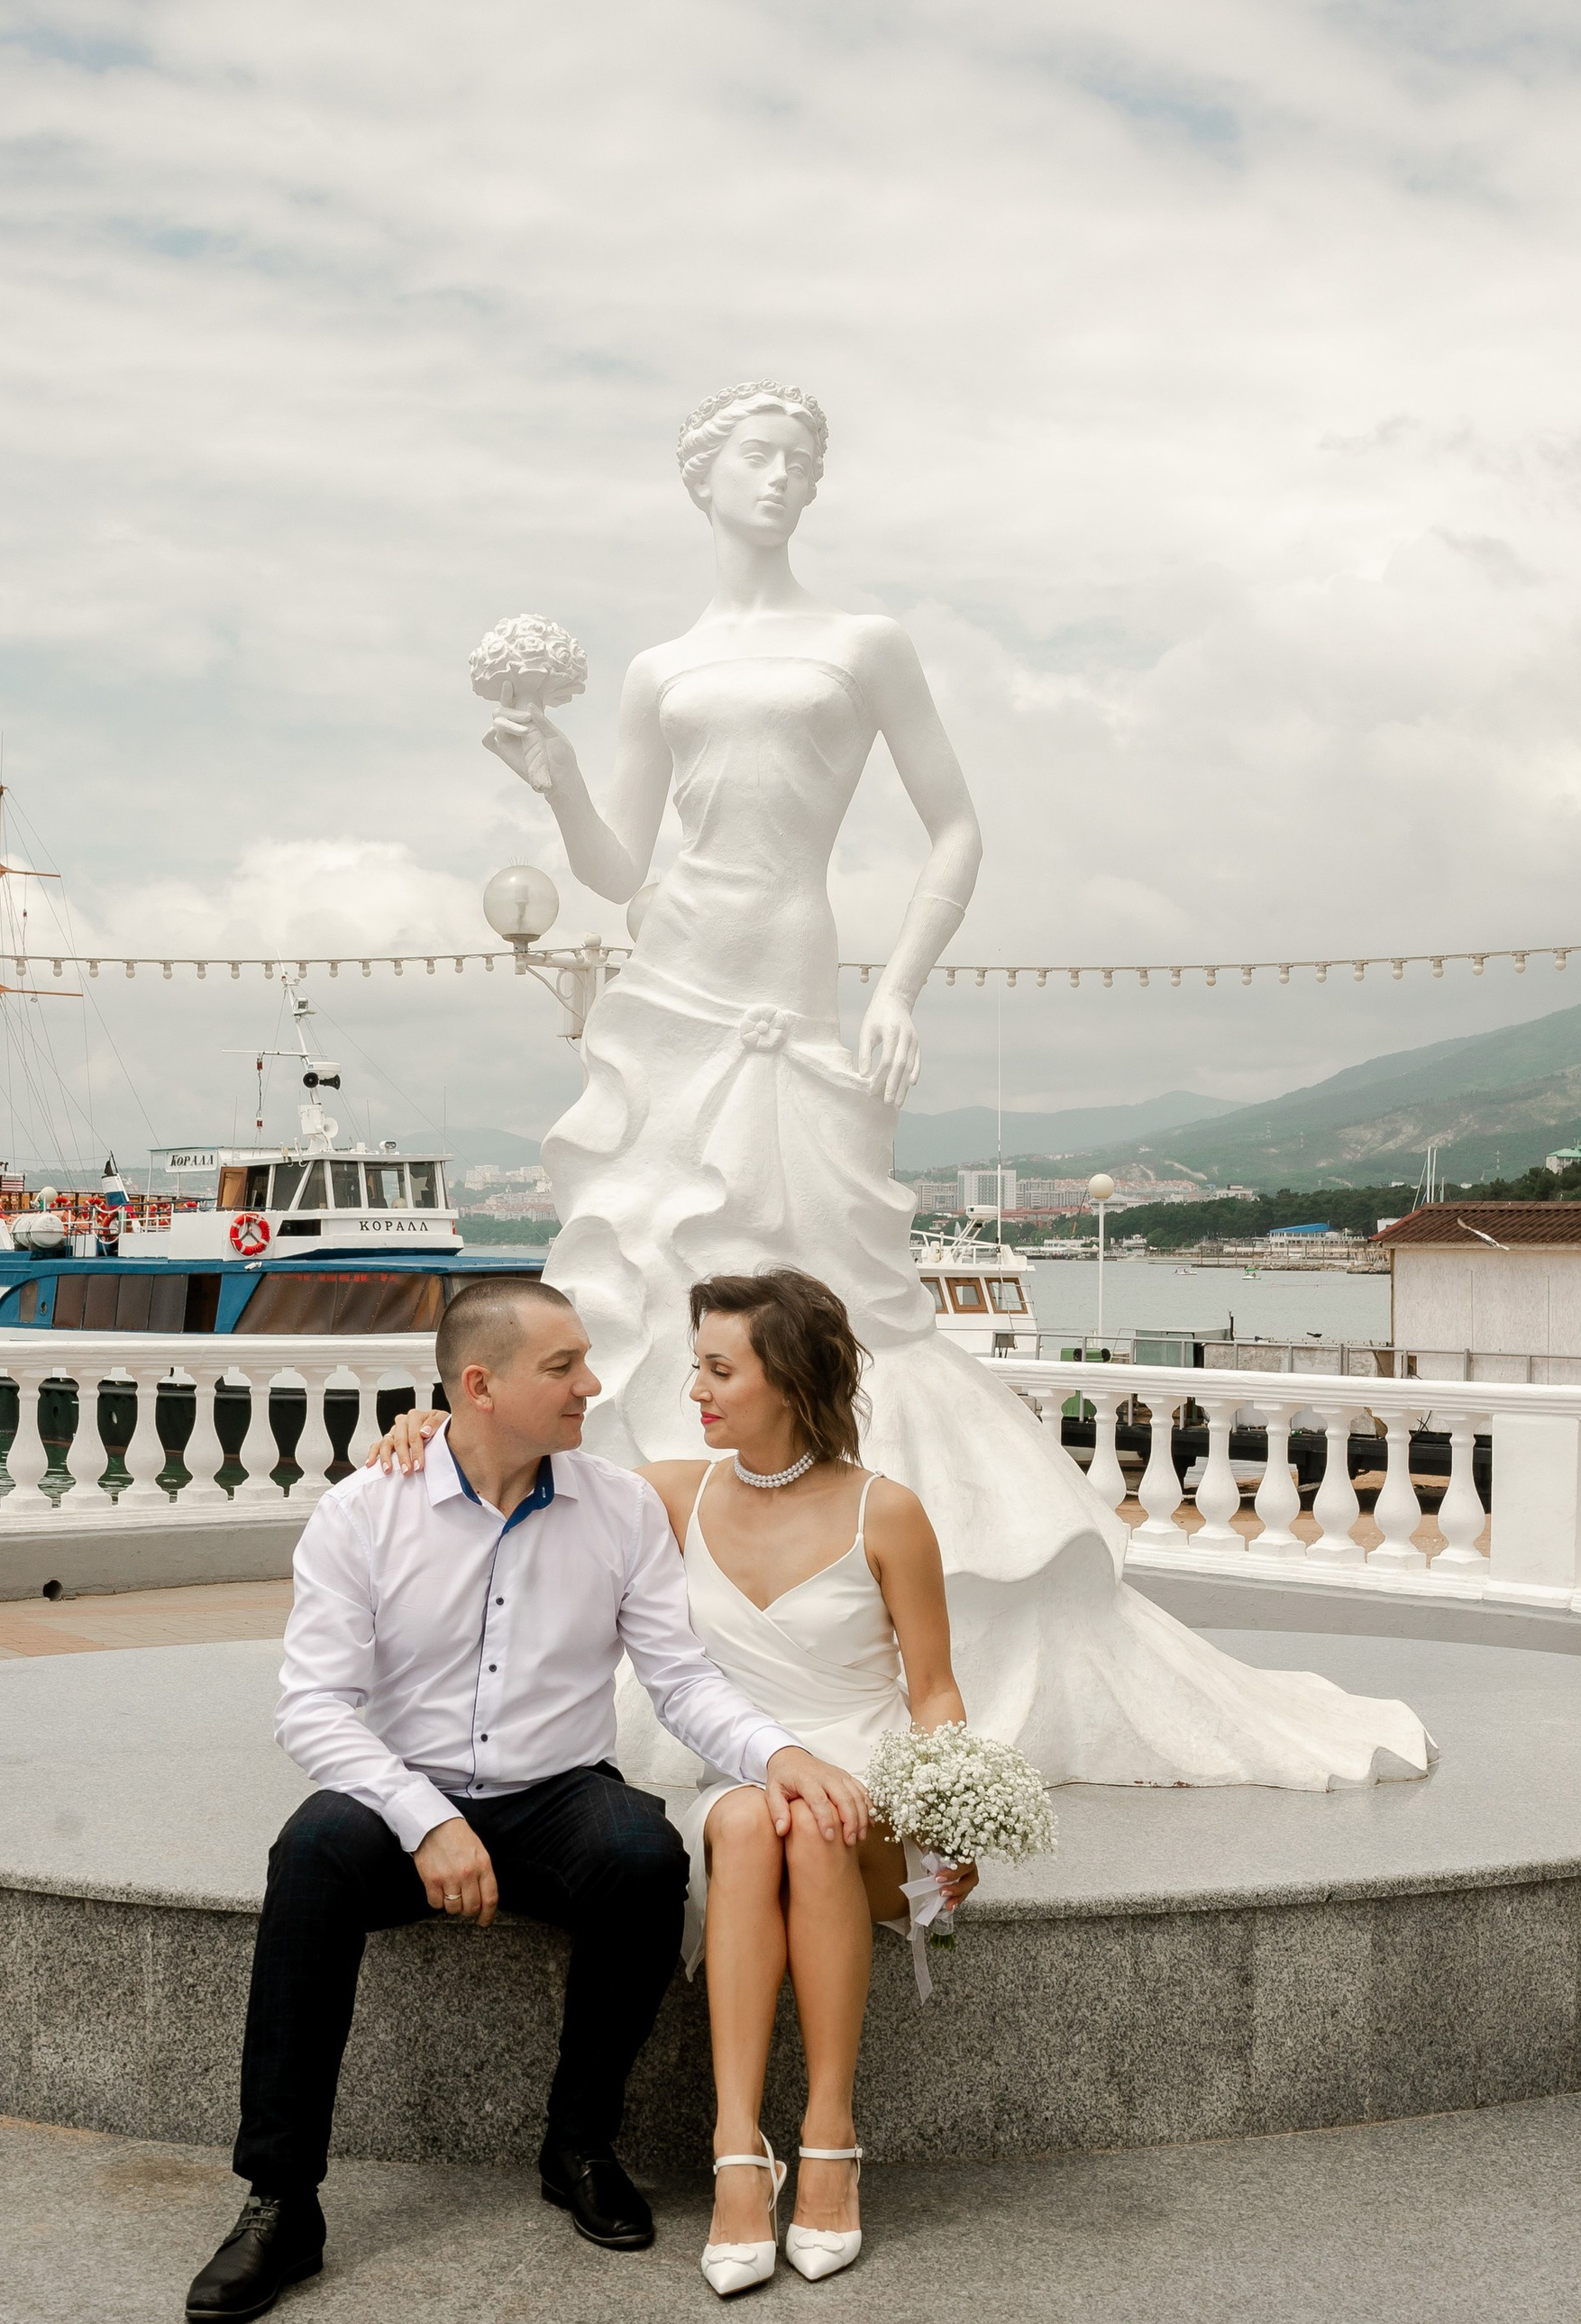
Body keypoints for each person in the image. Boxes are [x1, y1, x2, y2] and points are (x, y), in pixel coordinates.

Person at [476, 381, 1430, 1791]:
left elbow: (955, 828)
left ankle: (861, 1611)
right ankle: (650, 1622)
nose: (785, 478)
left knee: (836, 1295)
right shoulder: (659, 668)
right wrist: (556, 782)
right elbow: (625, 872)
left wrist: (900, 988)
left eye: (805, 459)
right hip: (669, 988)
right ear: (704, 475)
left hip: (793, 995)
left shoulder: (864, 644)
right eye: (761, 454)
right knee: (650, 1285)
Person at [184, 1271, 873, 2324]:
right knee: (308, 1857)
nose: (591, 1386)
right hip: (401, 1793)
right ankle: (284, 2200)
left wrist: (779, 1755)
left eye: (585, 1362)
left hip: (556, 1792)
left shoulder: (619, 1508)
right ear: (479, 1385)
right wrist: (427, 1820)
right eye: (563, 1367)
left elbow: (680, 1680)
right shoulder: (365, 1510)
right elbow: (313, 1710)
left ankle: (578, 2144)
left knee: (643, 1860)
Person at [366, 1265, 974, 2301]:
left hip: (864, 1797)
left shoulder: (888, 1512)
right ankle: (739, 2146)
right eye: (696, 1364)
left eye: (719, 1369)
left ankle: (828, 2129)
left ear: (787, 1380)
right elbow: (515, 1459)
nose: (695, 1388)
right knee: (751, 1820)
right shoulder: (667, 1494)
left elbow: (935, 1689)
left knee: (811, 1820)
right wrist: (424, 1427)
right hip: (740, 1780)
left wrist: (955, 1814)